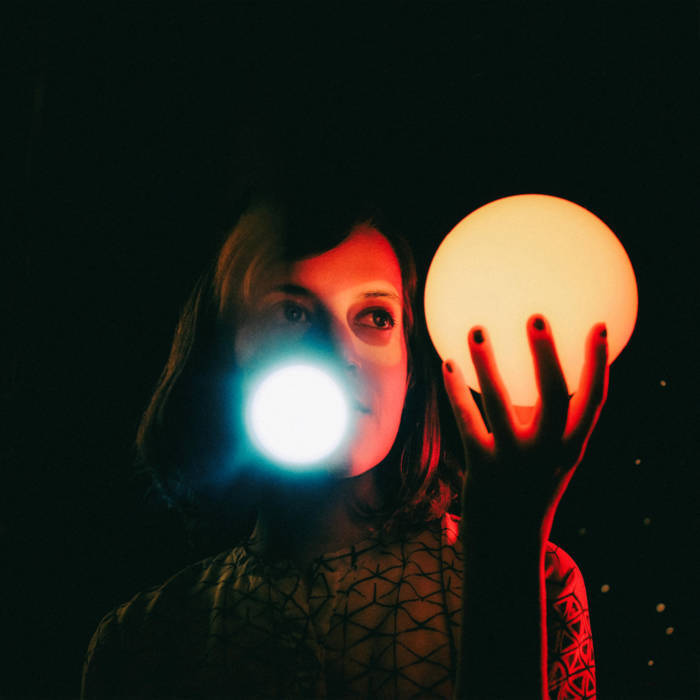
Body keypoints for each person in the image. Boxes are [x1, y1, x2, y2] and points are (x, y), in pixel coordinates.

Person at [81, 187, 607, 699]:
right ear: (222, 356)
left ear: (410, 371)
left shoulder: (537, 579)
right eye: (291, 313)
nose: (339, 351)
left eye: (377, 317)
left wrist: (507, 554)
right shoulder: (143, 642)